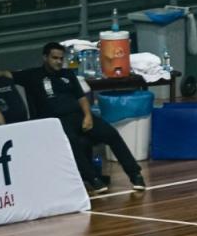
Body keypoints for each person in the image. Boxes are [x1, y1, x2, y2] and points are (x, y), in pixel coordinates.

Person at [12, 41, 145, 193]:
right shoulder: (32, 75)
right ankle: (93, 178)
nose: (59, 62)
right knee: (73, 142)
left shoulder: (68, 74)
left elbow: (81, 98)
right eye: (54, 58)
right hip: (55, 122)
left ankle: (135, 174)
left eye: (61, 58)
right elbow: (6, 75)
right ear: (45, 57)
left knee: (111, 134)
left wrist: (88, 116)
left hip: (79, 116)